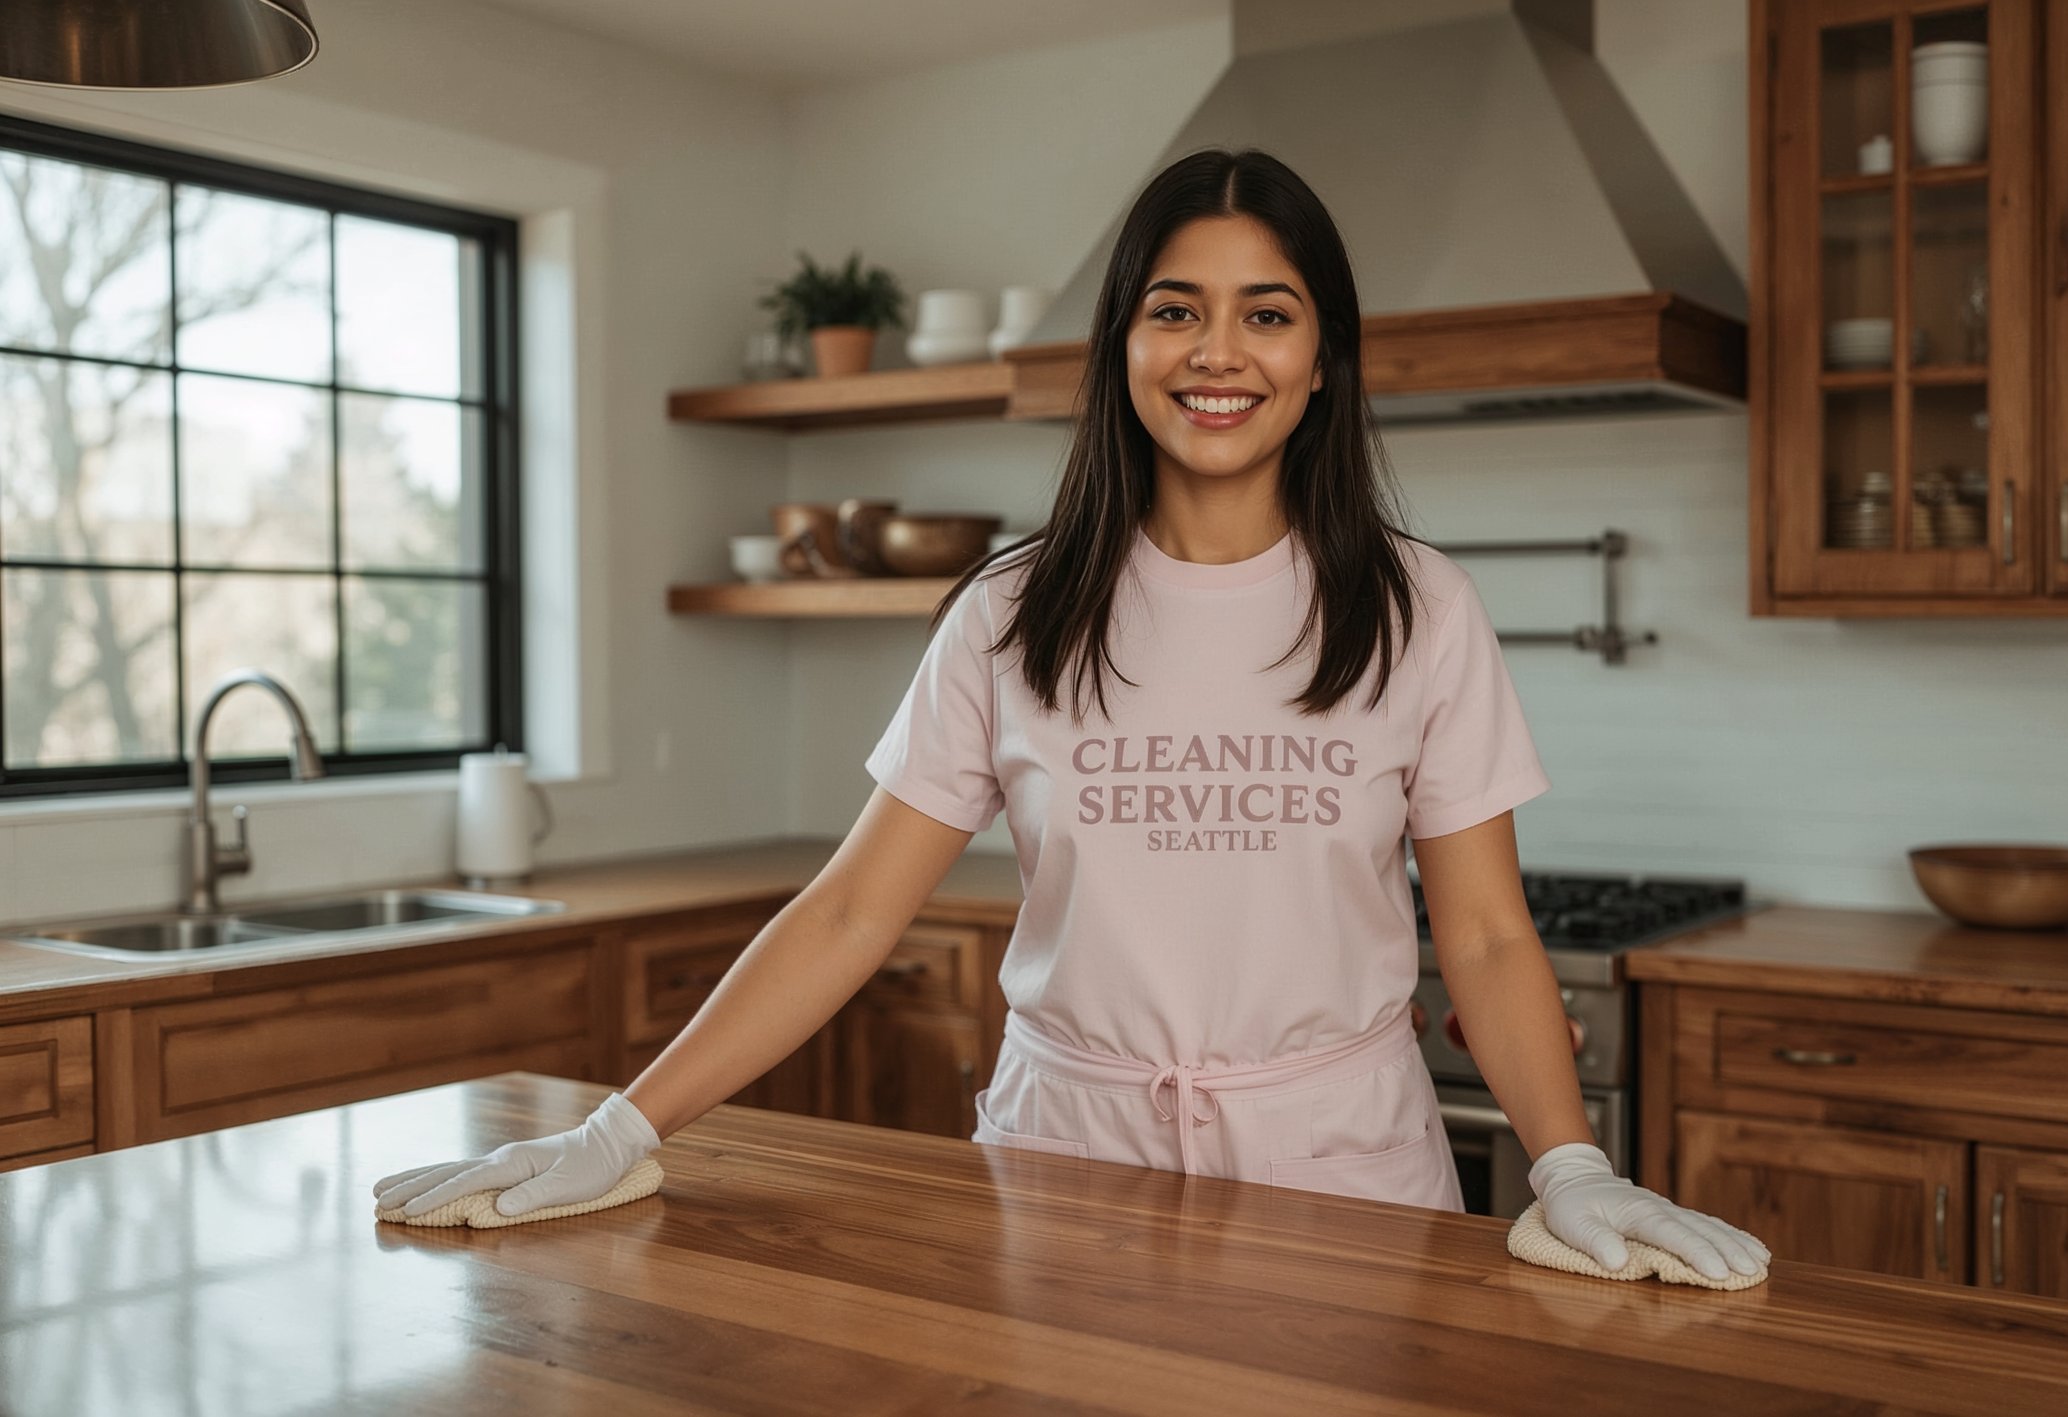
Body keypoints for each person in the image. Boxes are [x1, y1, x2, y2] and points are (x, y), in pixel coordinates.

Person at [373, 148, 1767, 1284]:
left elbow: (1483, 934)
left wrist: (1569, 1160)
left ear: (1325, 356)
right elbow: (853, 911)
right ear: (1122, 344)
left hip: (1339, 1186)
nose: (1219, 351)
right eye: (1175, 308)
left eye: (1267, 312)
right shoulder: (1009, 611)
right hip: (1061, 1172)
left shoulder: (1419, 609)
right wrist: (622, 1126)